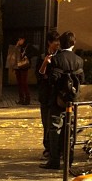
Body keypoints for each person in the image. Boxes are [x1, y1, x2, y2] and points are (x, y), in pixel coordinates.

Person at [39, 31, 84, 171]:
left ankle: (54, 160)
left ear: (61, 43)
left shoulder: (57, 59)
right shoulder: (79, 60)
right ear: (73, 43)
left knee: (54, 128)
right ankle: (69, 158)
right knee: (69, 128)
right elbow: (82, 79)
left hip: (57, 99)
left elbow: (52, 79)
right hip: (72, 100)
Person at [36, 30, 61, 160]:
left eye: (58, 42)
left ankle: (56, 149)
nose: (57, 44)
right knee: (46, 123)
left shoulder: (61, 57)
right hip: (45, 95)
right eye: (55, 42)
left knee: (56, 123)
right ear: (49, 43)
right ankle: (47, 148)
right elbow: (39, 76)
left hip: (56, 96)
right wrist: (45, 63)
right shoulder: (42, 57)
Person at [14, 34, 37, 105]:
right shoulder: (18, 47)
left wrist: (27, 56)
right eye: (18, 40)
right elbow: (13, 53)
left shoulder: (28, 46)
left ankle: (27, 99)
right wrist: (17, 46)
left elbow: (35, 52)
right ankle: (21, 99)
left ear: (23, 39)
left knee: (24, 83)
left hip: (24, 66)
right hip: (17, 66)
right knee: (19, 83)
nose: (19, 41)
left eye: (20, 39)